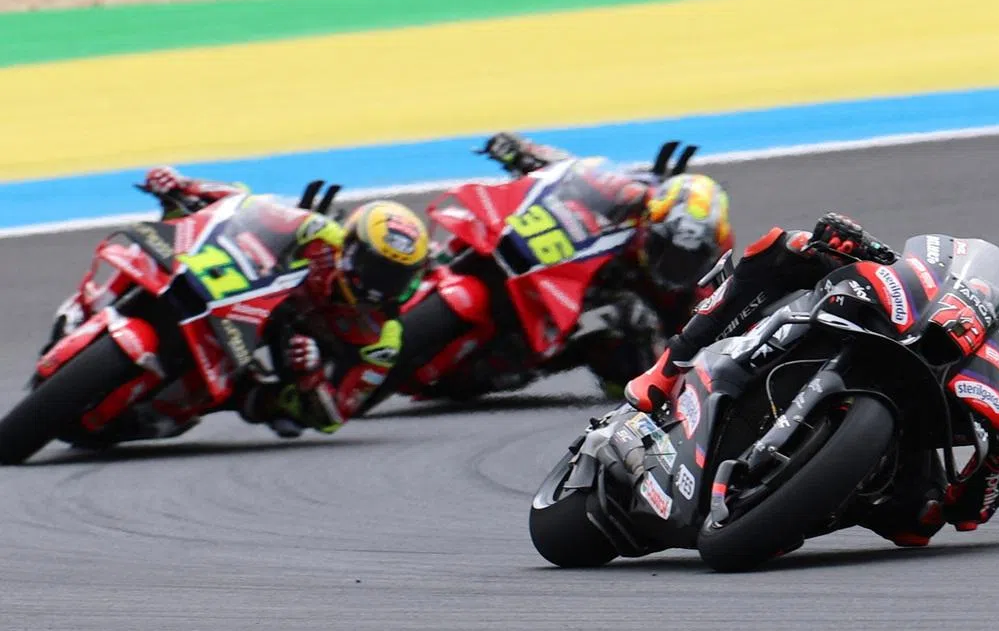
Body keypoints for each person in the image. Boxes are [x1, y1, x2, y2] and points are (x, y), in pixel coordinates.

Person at [624, 213, 999, 546]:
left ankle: (797, 506)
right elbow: (925, 277)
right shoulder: (978, 313)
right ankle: (667, 370)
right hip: (890, 345)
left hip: (914, 439)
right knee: (792, 246)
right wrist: (859, 246)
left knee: (918, 524)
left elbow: (969, 514)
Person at [119, 166, 429, 438]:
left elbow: (336, 415)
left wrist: (312, 376)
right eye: (377, 271)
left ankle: (181, 405)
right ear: (350, 249)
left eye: (396, 279)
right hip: (245, 286)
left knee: (276, 408)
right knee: (167, 240)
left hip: (288, 346)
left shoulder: (383, 339)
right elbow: (243, 202)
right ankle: (88, 306)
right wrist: (184, 186)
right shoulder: (319, 233)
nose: (381, 288)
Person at [474, 132, 735, 395]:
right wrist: (521, 150)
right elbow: (572, 170)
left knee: (633, 369)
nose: (673, 265)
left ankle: (529, 361)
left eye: (688, 260)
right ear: (651, 220)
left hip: (611, 310)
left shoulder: (702, 289)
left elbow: (702, 348)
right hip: (568, 258)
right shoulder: (632, 195)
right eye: (663, 248)